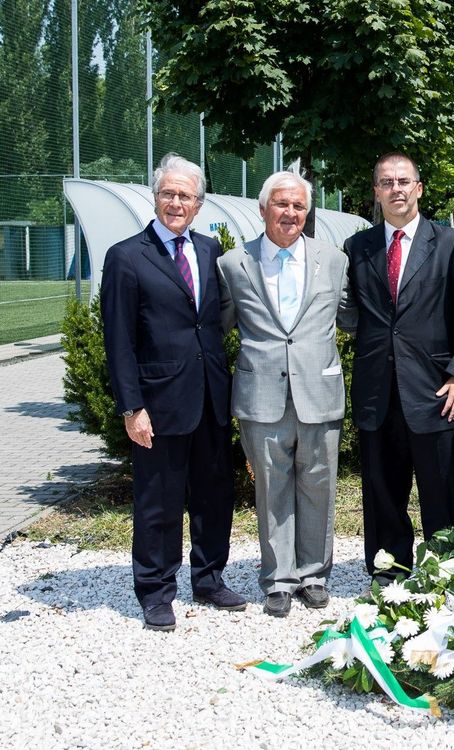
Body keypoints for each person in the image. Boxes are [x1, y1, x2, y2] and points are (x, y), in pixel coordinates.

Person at [100, 153, 246, 631]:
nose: (175, 202)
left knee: (214, 494)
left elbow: (215, 321)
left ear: (199, 204)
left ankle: (208, 578)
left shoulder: (208, 251)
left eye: (185, 195)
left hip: (210, 398)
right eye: (168, 193)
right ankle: (156, 590)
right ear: (154, 196)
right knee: (158, 500)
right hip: (158, 403)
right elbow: (118, 340)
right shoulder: (126, 256)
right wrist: (131, 407)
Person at [344, 153, 454, 583]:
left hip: (435, 394)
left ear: (419, 188)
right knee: (382, 492)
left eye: (404, 181)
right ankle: (390, 573)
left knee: (442, 491)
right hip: (377, 393)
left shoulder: (449, 244)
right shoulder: (358, 248)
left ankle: (449, 572)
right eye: (386, 182)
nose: (396, 189)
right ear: (376, 192)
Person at [216, 171, 356, 617]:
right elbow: (216, 325)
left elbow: (355, 317)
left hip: (319, 391)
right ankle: (277, 579)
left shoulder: (334, 260)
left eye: (298, 206)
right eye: (281, 204)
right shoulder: (234, 265)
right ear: (263, 210)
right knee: (272, 489)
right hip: (262, 397)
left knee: (319, 486)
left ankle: (314, 574)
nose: (290, 213)